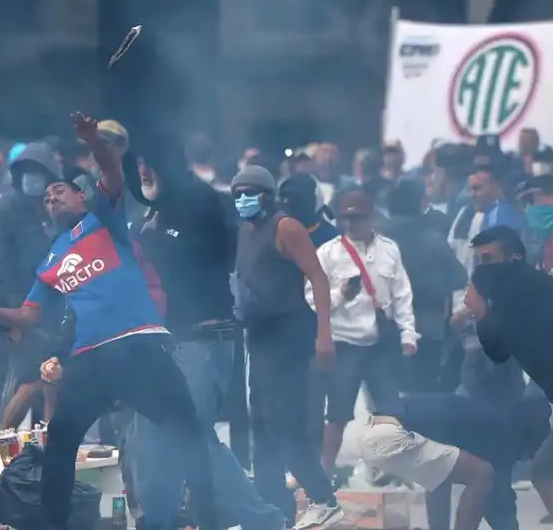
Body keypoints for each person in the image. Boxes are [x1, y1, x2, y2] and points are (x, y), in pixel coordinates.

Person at [0, 112, 220, 530]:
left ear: (82, 197)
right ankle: (51, 524)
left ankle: (210, 520)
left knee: (188, 432)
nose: (51, 198)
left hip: (140, 346)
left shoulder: (105, 219)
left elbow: (111, 169)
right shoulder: (51, 258)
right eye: (47, 197)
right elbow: (30, 314)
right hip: (90, 360)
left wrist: (93, 142)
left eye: (60, 190)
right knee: (61, 442)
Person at [125, 156, 284, 530]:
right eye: (140, 165)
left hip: (201, 339)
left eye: (152, 163)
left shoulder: (200, 206)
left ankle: (267, 523)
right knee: (146, 441)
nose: (144, 171)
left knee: (191, 436)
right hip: (161, 345)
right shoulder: (145, 219)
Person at [231, 165, 344, 529]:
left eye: (249, 192)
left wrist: (324, 333)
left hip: (290, 334)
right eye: (237, 193)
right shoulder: (246, 231)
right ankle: (272, 510)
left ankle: (323, 498)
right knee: (261, 424)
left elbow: (318, 278)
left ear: (267, 194)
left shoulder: (285, 227)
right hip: (259, 337)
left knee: (284, 423)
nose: (242, 199)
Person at [467, 225, 553, 530]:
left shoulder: (520, 287)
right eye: (479, 261)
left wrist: (480, 312)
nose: (483, 269)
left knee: (546, 469)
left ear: (515, 258)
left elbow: (496, 349)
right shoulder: (524, 285)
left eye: (490, 259)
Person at [308, 188, 418, 477]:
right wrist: (342, 293)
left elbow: (402, 293)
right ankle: (325, 471)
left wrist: (408, 334)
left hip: (379, 343)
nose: (351, 224)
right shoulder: (329, 253)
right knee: (338, 413)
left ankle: (388, 468)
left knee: (390, 409)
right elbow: (311, 298)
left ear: (370, 218)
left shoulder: (388, 249)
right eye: (347, 219)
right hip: (345, 342)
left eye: (357, 218)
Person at [360, 393, 550, 530]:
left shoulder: (485, 413)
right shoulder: (503, 430)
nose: (520, 461)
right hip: (392, 434)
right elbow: (500, 500)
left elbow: (437, 481)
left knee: (440, 478)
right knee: (482, 475)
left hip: (375, 430)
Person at [0, 142, 60, 433]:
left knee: (46, 384)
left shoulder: (51, 209)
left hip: (49, 315)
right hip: (15, 314)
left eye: (38, 171)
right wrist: (12, 319)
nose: (31, 177)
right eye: (25, 171)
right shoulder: (7, 209)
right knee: (15, 383)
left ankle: (36, 455)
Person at [381, 179, 467, 391]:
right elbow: (459, 278)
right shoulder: (433, 239)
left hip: (384, 325)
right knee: (424, 389)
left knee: (387, 392)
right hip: (427, 325)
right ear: (420, 205)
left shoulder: (373, 240)